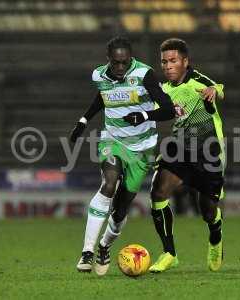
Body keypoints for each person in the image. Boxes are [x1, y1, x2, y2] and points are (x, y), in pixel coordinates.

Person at [70, 36, 174, 276]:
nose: (119, 68)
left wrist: (145, 117)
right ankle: (87, 251)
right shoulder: (99, 76)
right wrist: (83, 121)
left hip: (143, 148)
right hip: (113, 140)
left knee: (120, 210)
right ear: (108, 60)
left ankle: (105, 246)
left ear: (130, 59)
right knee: (108, 184)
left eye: (124, 63)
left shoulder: (145, 75)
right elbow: (103, 96)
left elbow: (168, 108)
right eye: (115, 63)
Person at [148, 38, 226, 273]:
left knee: (208, 210)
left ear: (185, 61)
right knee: (158, 192)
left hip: (207, 150)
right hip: (179, 147)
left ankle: (215, 235)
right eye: (164, 62)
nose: (167, 66)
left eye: (172, 61)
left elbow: (219, 88)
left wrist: (214, 91)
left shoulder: (197, 81)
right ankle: (169, 253)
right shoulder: (164, 91)